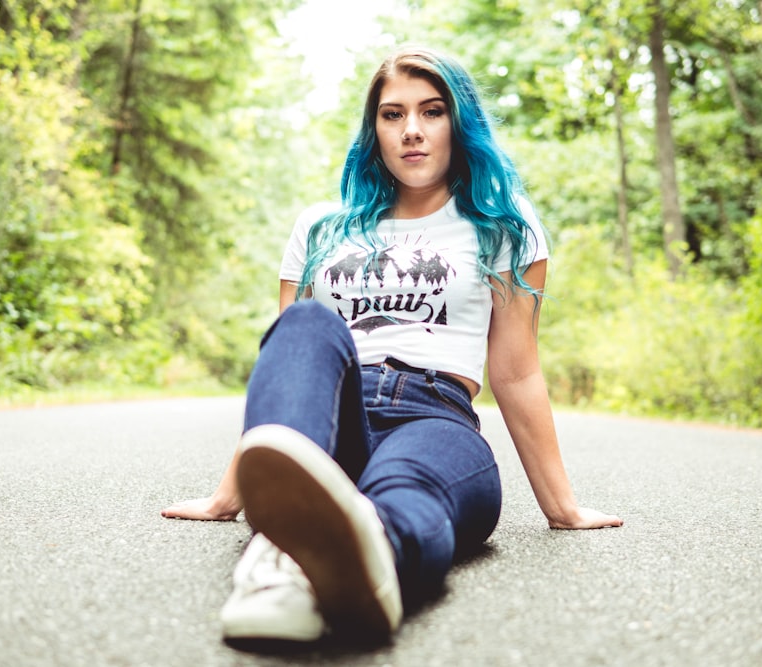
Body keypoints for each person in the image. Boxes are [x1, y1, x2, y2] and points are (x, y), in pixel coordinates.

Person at [161, 45, 623, 644]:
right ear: (372, 129)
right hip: (332, 423)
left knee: (406, 487)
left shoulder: (504, 227)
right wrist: (233, 494)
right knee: (303, 326)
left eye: (432, 111)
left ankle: (358, 564)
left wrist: (562, 506)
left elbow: (516, 372)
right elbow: (288, 371)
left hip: (434, 418)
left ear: (459, 124)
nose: (411, 130)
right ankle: (283, 546)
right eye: (392, 114)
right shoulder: (321, 227)